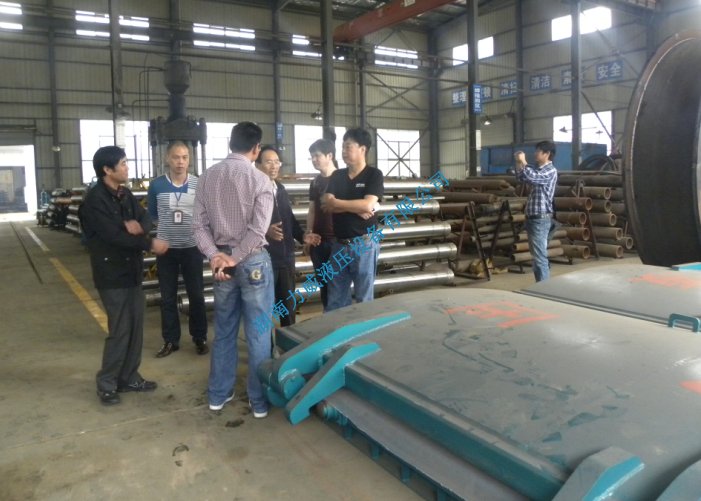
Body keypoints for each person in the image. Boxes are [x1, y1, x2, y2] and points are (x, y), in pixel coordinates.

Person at [192, 122, 274, 418]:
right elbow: (258, 230)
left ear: (231, 143)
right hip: (252, 263)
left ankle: (218, 394)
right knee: (258, 332)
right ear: (256, 149)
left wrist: (217, 256)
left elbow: (198, 226)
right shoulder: (261, 181)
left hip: (221, 265)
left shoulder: (206, 177)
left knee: (225, 329)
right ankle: (258, 401)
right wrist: (235, 257)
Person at [79, 146, 169, 406]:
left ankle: (129, 377)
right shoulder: (95, 201)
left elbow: (145, 218)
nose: (127, 168)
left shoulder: (124, 194)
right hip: (111, 275)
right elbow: (113, 236)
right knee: (120, 330)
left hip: (132, 272)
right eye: (123, 164)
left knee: (136, 328)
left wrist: (139, 227)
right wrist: (148, 242)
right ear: (107, 170)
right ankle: (107, 383)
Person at [147, 141, 208, 358]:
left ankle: (199, 337)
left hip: (192, 248)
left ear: (189, 159)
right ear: (167, 159)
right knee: (167, 297)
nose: (180, 162)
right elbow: (153, 215)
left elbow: (204, 214)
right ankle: (171, 340)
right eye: (176, 157)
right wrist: (167, 232)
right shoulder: (157, 186)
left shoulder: (199, 184)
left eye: (184, 157)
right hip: (166, 250)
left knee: (196, 295)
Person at [255, 145, 320, 326]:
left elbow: (289, 218)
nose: (274, 166)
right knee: (264, 308)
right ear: (258, 165)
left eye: (277, 162)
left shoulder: (280, 188)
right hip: (264, 259)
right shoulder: (252, 191)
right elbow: (243, 222)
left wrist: (302, 236)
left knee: (288, 306)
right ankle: (265, 343)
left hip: (286, 258)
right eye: (269, 162)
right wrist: (265, 229)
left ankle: (288, 337)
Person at [322, 127, 384, 310]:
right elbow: (326, 204)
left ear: (362, 149)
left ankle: (363, 329)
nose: (343, 151)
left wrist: (338, 203)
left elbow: (367, 205)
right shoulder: (337, 175)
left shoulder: (374, 175)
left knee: (364, 298)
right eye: (342, 147)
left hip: (364, 244)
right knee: (336, 299)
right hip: (339, 245)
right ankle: (340, 329)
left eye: (348, 147)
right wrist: (357, 208)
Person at [514, 140, 558, 282]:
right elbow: (521, 177)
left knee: (539, 258)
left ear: (547, 154)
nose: (535, 153)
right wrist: (519, 163)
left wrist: (524, 161)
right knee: (537, 257)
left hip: (540, 219)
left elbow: (533, 177)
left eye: (538, 151)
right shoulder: (537, 169)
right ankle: (541, 284)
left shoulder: (550, 170)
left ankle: (544, 288)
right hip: (533, 218)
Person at [306, 138, 337, 311]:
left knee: (338, 284)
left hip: (338, 242)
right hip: (318, 242)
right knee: (323, 283)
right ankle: (329, 316)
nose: (314, 160)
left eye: (317, 155)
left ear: (329, 156)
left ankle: (341, 319)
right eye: (312, 157)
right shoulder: (315, 182)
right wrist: (308, 234)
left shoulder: (342, 178)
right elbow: (312, 210)